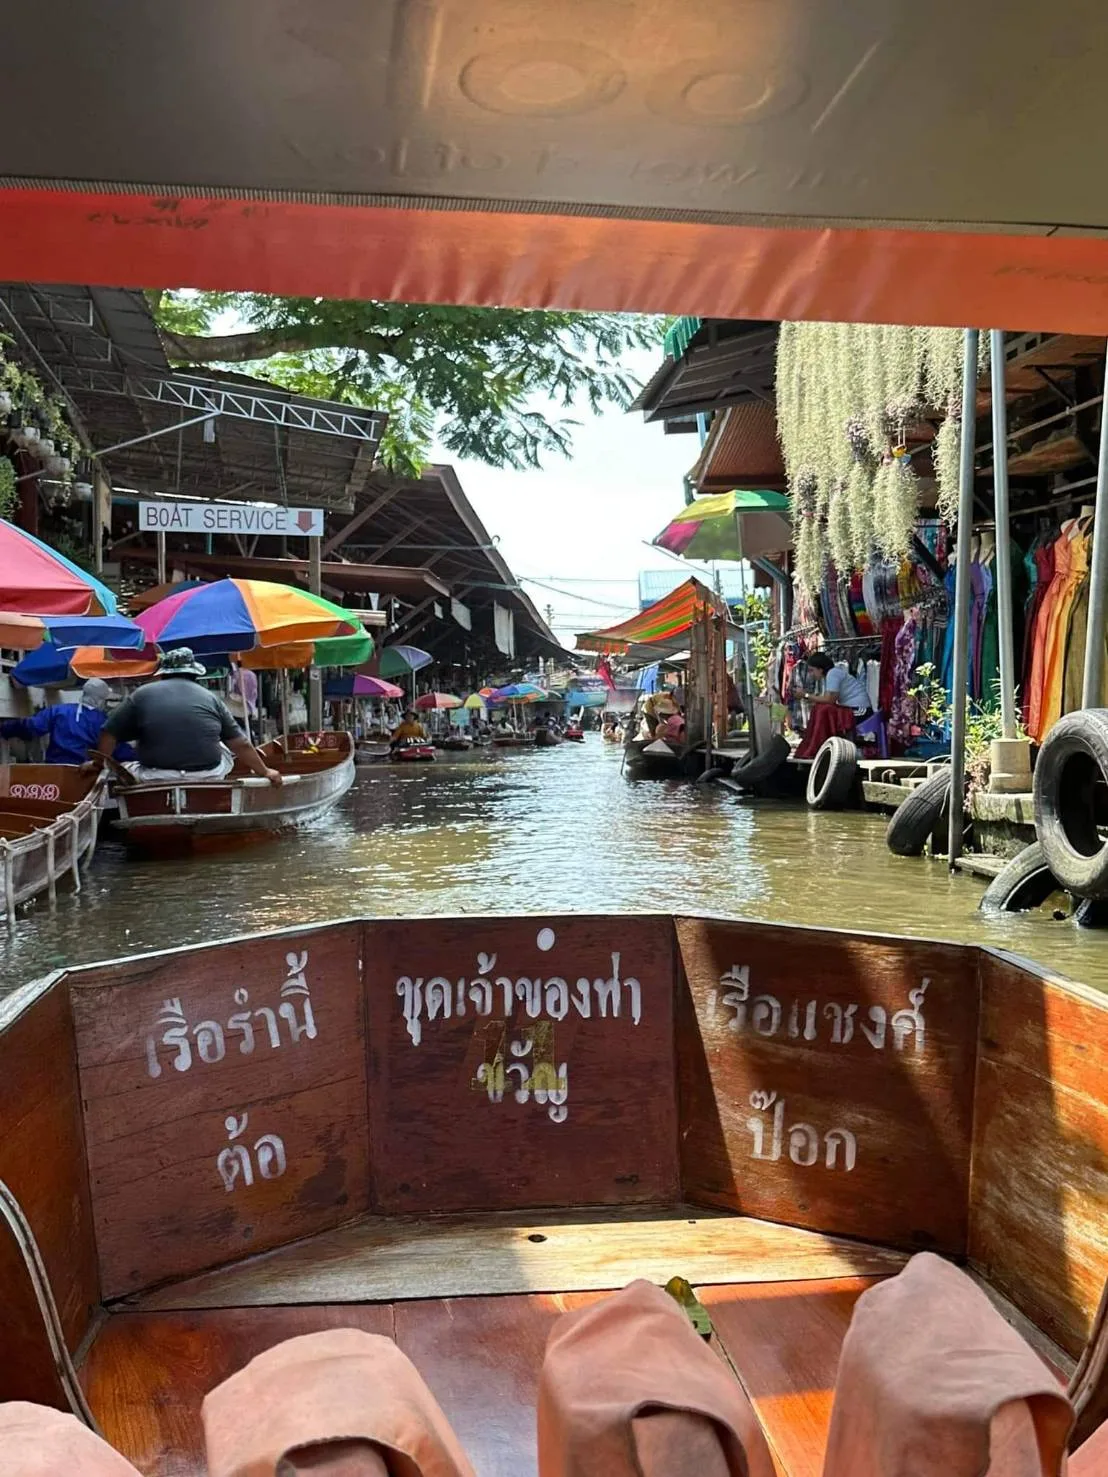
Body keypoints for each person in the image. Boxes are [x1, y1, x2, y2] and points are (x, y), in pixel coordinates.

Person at [90, 648, 282, 784]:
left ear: (162, 674)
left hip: (155, 775)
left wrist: (98, 765)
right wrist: (265, 771)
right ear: (194, 674)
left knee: (127, 766)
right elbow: (240, 744)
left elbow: (108, 732)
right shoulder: (210, 698)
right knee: (225, 749)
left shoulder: (141, 694)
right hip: (207, 774)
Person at [1, 677, 117, 765]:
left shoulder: (59, 710)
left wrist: (4, 728)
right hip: (85, 772)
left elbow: (31, 726)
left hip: (55, 770)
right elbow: (117, 750)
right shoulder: (105, 721)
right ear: (100, 700)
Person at [806, 651, 872, 718]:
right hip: (854, 708)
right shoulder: (830, 675)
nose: (810, 674)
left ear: (820, 669)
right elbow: (827, 699)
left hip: (860, 709)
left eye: (811, 670)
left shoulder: (832, 674)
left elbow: (829, 700)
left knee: (826, 714)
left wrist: (805, 695)